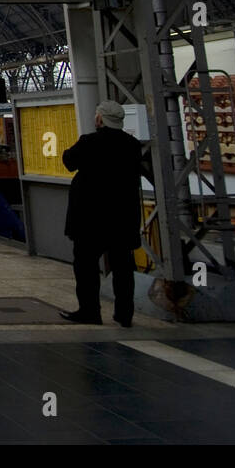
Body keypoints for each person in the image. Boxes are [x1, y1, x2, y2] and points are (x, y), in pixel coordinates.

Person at [60, 100, 152, 327]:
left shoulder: (90, 142)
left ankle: (90, 311)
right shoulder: (132, 145)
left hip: (90, 219)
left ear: (100, 119)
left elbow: (68, 161)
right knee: (123, 267)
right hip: (122, 218)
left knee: (86, 266)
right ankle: (124, 314)